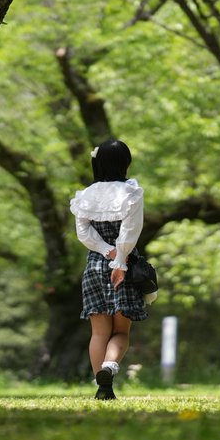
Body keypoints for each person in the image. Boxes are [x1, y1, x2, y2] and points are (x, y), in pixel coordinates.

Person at [70, 138, 147, 401]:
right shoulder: (131, 192)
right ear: (125, 163)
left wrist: (105, 251)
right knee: (120, 332)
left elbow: (83, 233)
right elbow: (130, 230)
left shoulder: (85, 195)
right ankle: (109, 367)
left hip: (94, 266)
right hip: (123, 266)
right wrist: (120, 259)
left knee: (99, 332)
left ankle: (103, 388)